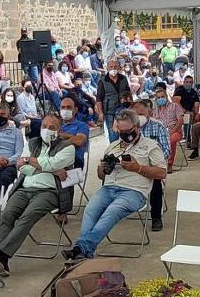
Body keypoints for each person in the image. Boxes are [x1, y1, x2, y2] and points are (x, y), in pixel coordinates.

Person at [63, 110, 166, 262]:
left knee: (112, 211)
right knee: (90, 209)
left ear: (137, 128)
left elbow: (162, 173)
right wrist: (102, 168)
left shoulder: (151, 146)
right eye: (121, 131)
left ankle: (82, 248)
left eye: (127, 131)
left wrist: (138, 168)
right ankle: (83, 251)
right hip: (109, 188)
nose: (124, 134)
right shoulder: (112, 147)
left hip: (134, 191)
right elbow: (101, 176)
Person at [0, 113, 81, 277]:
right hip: (25, 188)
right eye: (44, 126)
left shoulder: (68, 147)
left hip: (50, 191)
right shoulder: (32, 142)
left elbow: (49, 163)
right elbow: (22, 168)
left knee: (28, 216)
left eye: (52, 127)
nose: (46, 130)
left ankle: (1, 255)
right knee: (7, 214)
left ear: (59, 130)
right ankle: (0, 259)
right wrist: (50, 168)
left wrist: (31, 161)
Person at [133, 99, 173, 231]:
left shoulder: (158, 126)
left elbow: (166, 150)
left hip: (152, 166)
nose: (139, 117)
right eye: (136, 114)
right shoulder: (129, 128)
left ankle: (156, 217)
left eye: (141, 114)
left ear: (149, 113)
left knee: (155, 181)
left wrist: (154, 163)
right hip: (133, 166)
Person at [152, 87, 184, 170]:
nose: (160, 99)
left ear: (166, 97)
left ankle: (169, 163)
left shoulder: (175, 106)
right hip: (160, 132)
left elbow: (180, 121)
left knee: (170, 140)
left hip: (174, 131)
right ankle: (158, 163)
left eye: (162, 97)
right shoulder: (155, 110)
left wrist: (172, 131)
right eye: (158, 98)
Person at [57, 96, 91, 168]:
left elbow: (79, 141)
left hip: (74, 162)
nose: (65, 110)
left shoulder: (82, 125)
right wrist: (72, 137)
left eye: (69, 107)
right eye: (63, 107)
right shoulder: (56, 125)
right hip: (57, 160)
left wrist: (60, 135)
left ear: (75, 110)